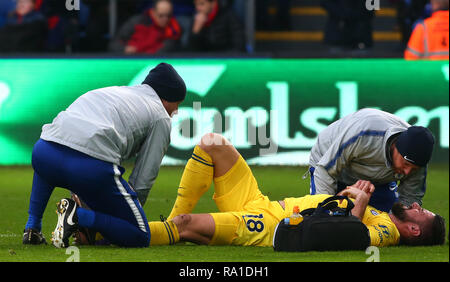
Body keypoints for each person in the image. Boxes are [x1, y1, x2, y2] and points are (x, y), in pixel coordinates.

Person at [145, 133, 445, 248]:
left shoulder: (388, 232)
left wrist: (361, 201)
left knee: (185, 226)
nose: (417, 206)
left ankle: (126, 233)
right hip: (261, 203)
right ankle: (168, 223)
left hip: (270, 226)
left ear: (414, 231)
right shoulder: (380, 213)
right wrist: (348, 197)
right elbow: (333, 214)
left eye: (422, 213)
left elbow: (349, 235)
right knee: (214, 143)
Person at [22, 62, 186, 248]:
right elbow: (143, 178)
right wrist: (115, 221)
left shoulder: (111, 91)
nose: (176, 111)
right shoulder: (160, 116)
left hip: (44, 152)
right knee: (140, 235)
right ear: (167, 98)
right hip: (90, 166)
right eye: (177, 104)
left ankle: (32, 227)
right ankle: (77, 216)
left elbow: (64, 141)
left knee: (50, 158)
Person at [308, 108, 435, 213]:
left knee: (386, 221)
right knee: (329, 217)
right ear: (396, 147)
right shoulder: (364, 134)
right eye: (406, 164)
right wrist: (325, 213)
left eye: (414, 169)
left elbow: (409, 200)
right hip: (328, 164)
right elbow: (326, 170)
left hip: (375, 182)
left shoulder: (418, 157)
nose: (407, 172)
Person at [109, 0, 182, 55]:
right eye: (161, 15)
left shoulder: (174, 30)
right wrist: (125, 49)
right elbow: (113, 45)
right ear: (153, 13)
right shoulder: (137, 22)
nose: (165, 19)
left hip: (152, 63)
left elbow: (161, 53)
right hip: (128, 59)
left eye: (168, 15)